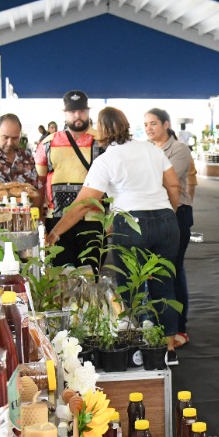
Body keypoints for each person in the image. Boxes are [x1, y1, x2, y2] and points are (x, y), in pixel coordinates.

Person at [47, 107, 182, 340]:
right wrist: (170, 212)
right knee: (164, 286)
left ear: (101, 130)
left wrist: (55, 232)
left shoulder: (106, 160)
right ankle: (168, 346)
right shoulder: (151, 149)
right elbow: (173, 185)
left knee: (131, 290)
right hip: (166, 221)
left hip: (131, 224)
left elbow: (84, 204)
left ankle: (137, 346)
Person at [146, 107, 197, 346]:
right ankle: (159, 326)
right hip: (152, 214)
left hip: (177, 214)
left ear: (166, 124)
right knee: (153, 272)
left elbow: (168, 180)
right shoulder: (146, 149)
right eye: (146, 124)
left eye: (153, 123)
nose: (149, 128)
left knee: (173, 270)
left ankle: (179, 329)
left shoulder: (179, 149)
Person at [50, 91, 101, 265]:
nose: (77, 115)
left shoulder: (103, 141)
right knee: (60, 273)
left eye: (82, 110)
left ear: (88, 112)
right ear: (65, 114)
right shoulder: (49, 143)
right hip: (58, 219)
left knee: (91, 273)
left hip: (94, 220)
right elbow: (41, 183)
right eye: (72, 111)